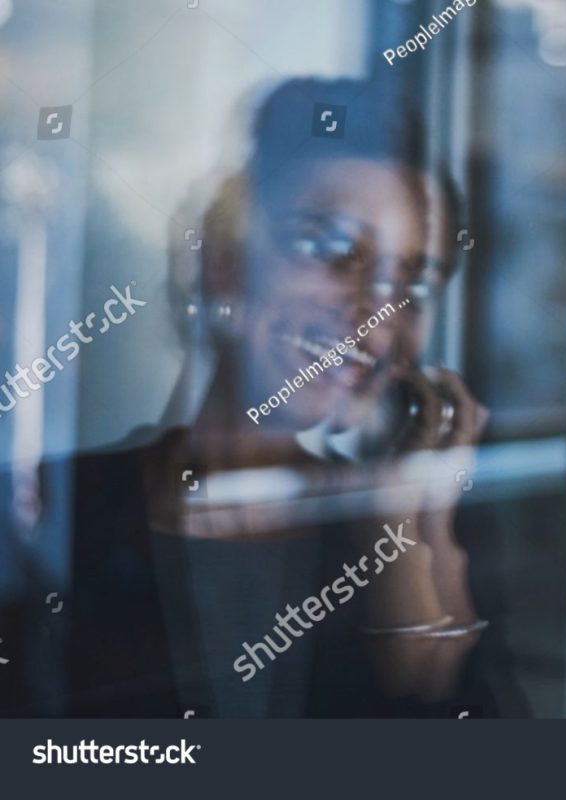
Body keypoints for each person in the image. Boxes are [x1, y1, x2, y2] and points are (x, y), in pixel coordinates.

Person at [1, 77, 513, 717]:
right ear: (224, 261)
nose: (377, 318)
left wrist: (410, 535)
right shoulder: (46, 511)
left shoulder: (411, 536)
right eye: (330, 249)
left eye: (414, 278)